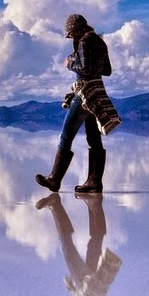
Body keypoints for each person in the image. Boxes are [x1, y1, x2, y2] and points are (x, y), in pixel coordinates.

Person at [36, 14, 121, 193]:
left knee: (66, 136)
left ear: (79, 29)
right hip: (97, 93)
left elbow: (85, 69)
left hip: (85, 93)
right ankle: (94, 182)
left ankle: (54, 179)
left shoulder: (84, 41)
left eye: (71, 34)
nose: (71, 38)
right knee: (94, 139)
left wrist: (70, 63)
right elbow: (107, 70)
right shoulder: (100, 42)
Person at [35, 193, 122, 296]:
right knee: (70, 247)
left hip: (89, 285)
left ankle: (93, 202)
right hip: (88, 285)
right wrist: (73, 289)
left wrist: (72, 289)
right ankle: (56, 204)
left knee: (94, 243)